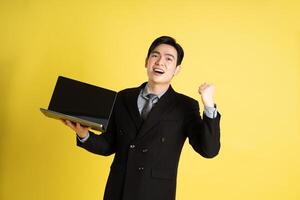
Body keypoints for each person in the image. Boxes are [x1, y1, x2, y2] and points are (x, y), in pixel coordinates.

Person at [62, 36, 221, 200]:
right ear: (147, 61)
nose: (160, 62)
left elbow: (209, 150)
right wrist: (84, 135)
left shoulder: (185, 106)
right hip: (118, 191)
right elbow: (108, 145)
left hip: (155, 193)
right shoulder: (122, 97)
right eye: (155, 55)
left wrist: (209, 104)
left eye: (168, 58)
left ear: (176, 69)